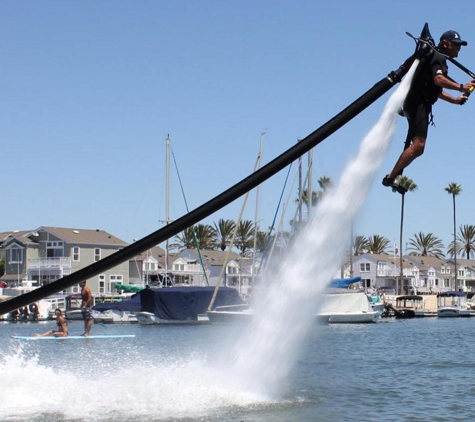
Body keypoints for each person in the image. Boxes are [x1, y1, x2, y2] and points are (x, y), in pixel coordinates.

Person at [383, 30, 475, 191]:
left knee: (418, 147)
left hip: (418, 103)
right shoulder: (438, 57)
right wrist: (461, 87)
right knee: (418, 146)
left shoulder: (438, 59)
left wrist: (455, 99)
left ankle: (403, 112)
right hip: (417, 103)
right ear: (446, 43)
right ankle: (390, 178)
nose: (459, 48)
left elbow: (435, 89)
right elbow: (438, 80)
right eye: (456, 45)